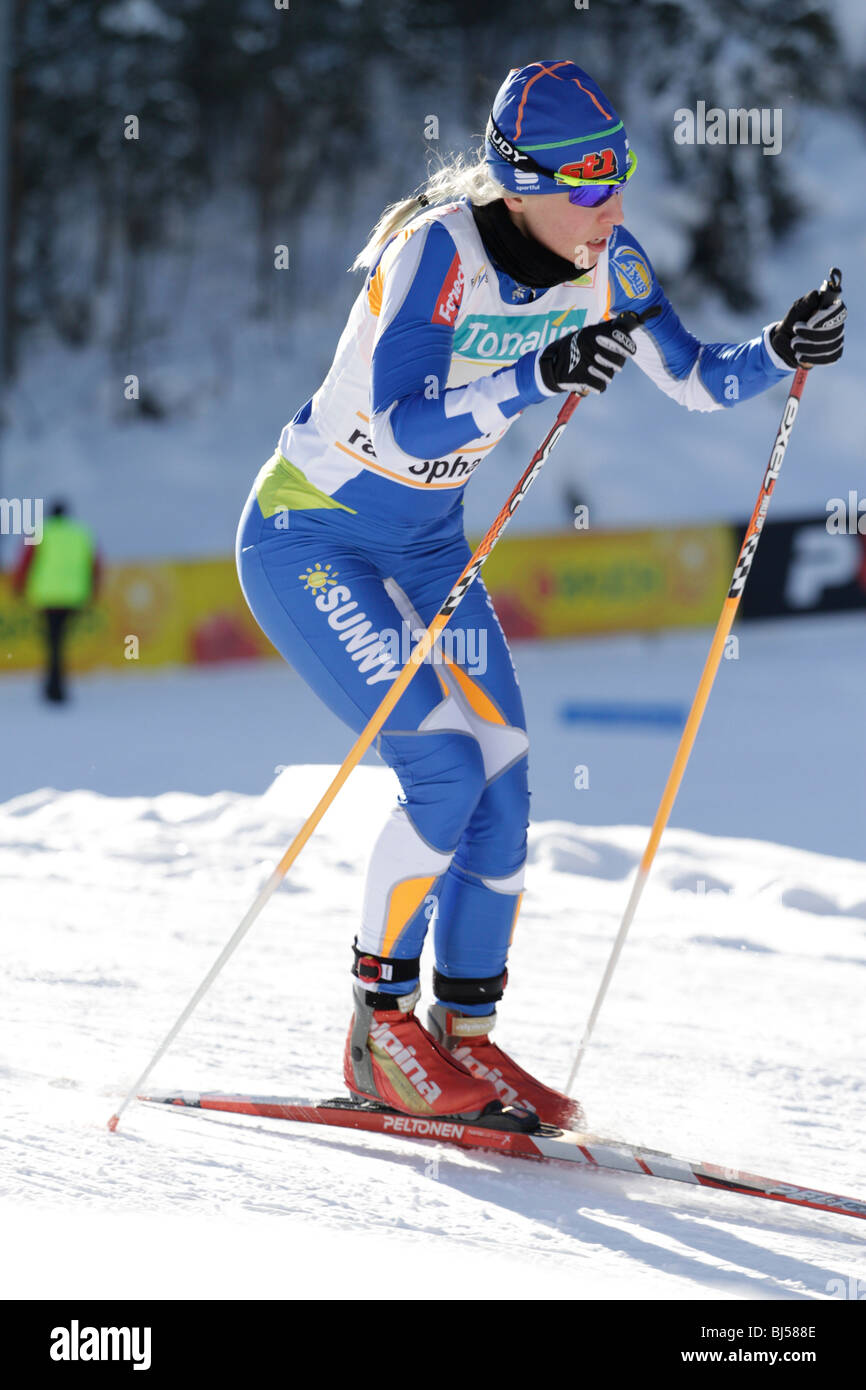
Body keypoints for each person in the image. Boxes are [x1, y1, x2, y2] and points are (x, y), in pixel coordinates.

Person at [236, 60, 846, 1127]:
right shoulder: (437, 254)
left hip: (428, 550)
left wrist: (777, 351)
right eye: (584, 182)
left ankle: (463, 1040)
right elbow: (405, 423)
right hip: (312, 538)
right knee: (442, 769)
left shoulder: (606, 259)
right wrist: (537, 373)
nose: (610, 203)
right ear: (519, 187)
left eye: (619, 174)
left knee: (506, 789)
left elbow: (694, 376)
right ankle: (380, 1034)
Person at [12, 499, 101, 703]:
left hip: (47, 597)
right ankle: (56, 685)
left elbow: (26, 560)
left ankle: (54, 687)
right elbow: (94, 564)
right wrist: (93, 591)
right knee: (59, 642)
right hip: (73, 596)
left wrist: (18, 586)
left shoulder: (39, 531)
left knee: (53, 642)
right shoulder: (81, 533)